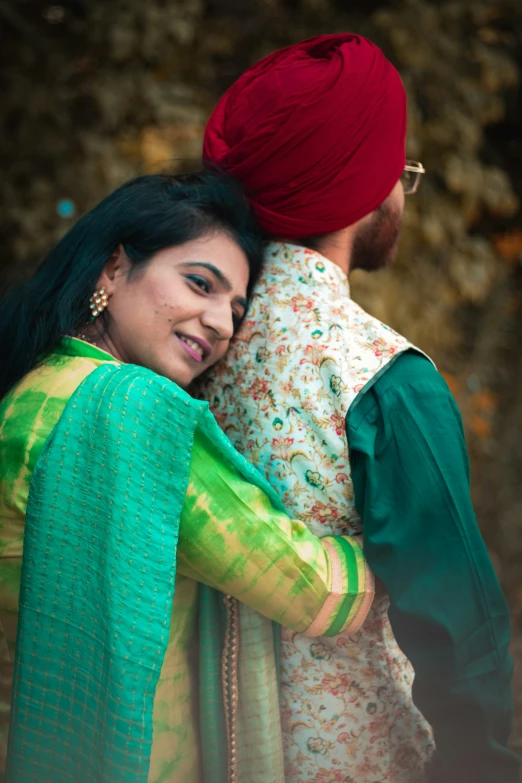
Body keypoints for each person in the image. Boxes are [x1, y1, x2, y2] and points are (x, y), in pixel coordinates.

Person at [199, 34, 521, 783]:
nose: (405, 192)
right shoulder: (383, 380)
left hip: (209, 752)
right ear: (367, 187)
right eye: (403, 172)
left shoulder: (189, 343)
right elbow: (458, 629)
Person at [0, 169, 375, 783]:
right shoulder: (134, 412)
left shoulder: (26, 394)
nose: (222, 324)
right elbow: (317, 590)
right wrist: (412, 548)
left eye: (234, 309)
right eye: (200, 284)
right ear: (114, 268)